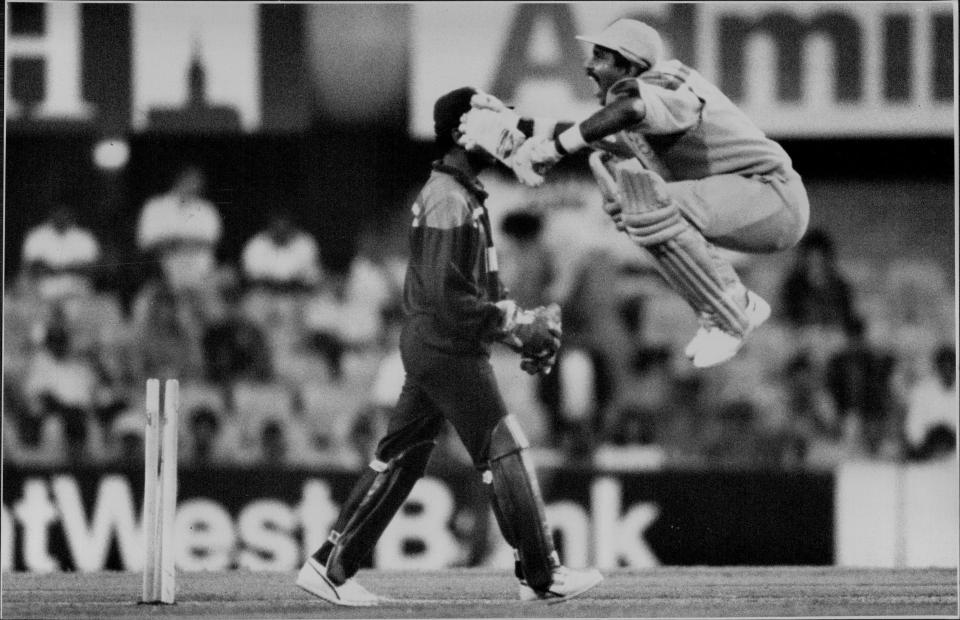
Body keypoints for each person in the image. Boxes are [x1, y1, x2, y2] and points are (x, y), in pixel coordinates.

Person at [296, 87, 602, 606]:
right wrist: (513, 327)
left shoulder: (462, 192)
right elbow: (446, 295)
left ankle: (329, 565)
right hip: (446, 345)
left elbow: (480, 287)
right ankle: (541, 573)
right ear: (464, 130)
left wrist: (521, 322)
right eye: (493, 117)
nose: (505, 128)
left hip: (437, 342)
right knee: (505, 446)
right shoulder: (446, 196)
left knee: (400, 459)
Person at [459, 18, 809, 368]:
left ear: (629, 65)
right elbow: (592, 131)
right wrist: (515, 123)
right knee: (633, 211)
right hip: (755, 204)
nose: (587, 65)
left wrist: (554, 150)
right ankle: (718, 308)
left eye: (599, 56)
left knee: (647, 203)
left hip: (772, 195)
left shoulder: (662, 84)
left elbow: (629, 108)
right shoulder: (638, 114)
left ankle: (735, 303)